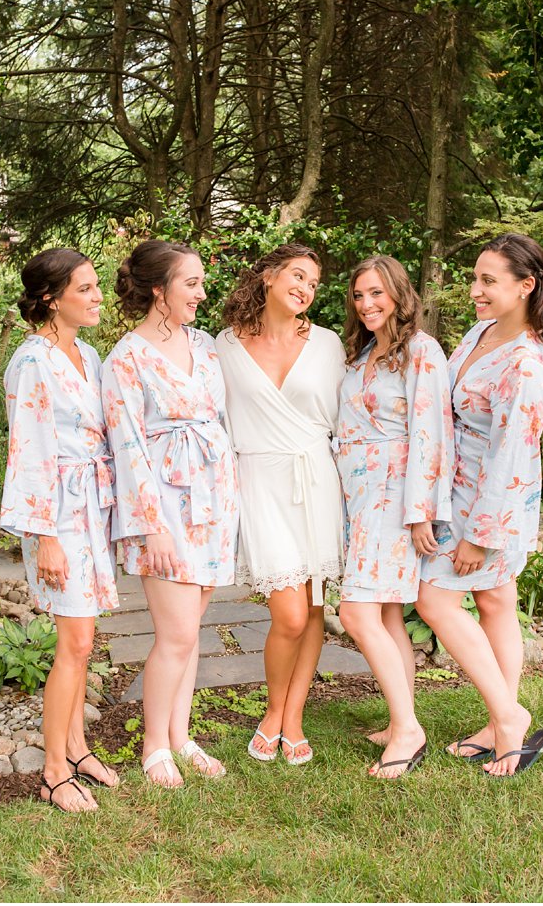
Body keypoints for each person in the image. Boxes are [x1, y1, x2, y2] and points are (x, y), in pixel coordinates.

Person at [417, 233, 543, 777]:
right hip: (456, 490)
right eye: (475, 278)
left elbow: (510, 456)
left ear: (525, 286)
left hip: (490, 505)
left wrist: (480, 535)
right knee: (496, 603)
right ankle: (496, 723)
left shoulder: (527, 365)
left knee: (434, 600)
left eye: (489, 280)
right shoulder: (482, 332)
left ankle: (509, 717)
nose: (475, 290)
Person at [103, 240, 239, 786]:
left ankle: (181, 737)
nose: (202, 294)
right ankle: (154, 746)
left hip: (214, 497)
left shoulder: (204, 345)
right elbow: (127, 445)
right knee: (176, 634)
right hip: (163, 506)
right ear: (158, 289)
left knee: (192, 631)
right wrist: (150, 524)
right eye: (191, 284)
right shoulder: (125, 359)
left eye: (202, 282)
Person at [0, 248, 120, 811]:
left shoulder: (88, 355)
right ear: (52, 298)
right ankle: (53, 772)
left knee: (84, 639)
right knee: (73, 642)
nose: (99, 297)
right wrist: (44, 534)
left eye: (97, 287)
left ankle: (75, 747)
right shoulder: (32, 362)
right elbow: (29, 453)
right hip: (56, 513)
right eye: (87, 288)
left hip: (91, 508)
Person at [215, 243, 345, 765]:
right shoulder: (222, 346)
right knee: (289, 613)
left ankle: (292, 717)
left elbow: (350, 415)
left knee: (313, 606)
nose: (306, 288)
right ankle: (273, 711)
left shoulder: (330, 344)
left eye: (314, 283)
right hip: (260, 481)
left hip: (317, 478)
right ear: (268, 277)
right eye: (297, 275)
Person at [334, 255, 454, 778]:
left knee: (357, 613)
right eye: (359, 296)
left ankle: (408, 730)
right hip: (358, 497)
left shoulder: (421, 352)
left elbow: (432, 432)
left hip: (394, 496)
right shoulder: (362, 355)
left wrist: (422, 511)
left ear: (399, 294)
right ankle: (398, 716)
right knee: (383, 615)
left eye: (377, 293)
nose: (367, 305)